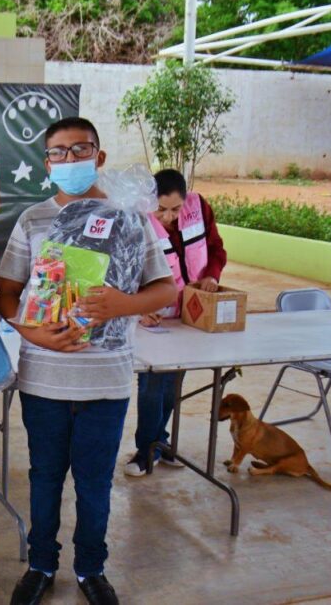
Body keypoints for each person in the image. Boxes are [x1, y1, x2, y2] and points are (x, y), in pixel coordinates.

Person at [0, 118, 176, 605]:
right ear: (46, 163)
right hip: (44, 378)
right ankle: (40, 563)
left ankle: (91, 567)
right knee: (44, 477)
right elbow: (7, 294)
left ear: (99, 156)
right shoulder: (34, 219)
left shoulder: (129, 218)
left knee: (95, 482)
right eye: (58, 152)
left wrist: (123, 303)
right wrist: (31, 330)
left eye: (80, 149)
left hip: (107, 380)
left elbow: (165, 287)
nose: (69, 159)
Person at [124, 168, 227, 476]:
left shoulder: (200, 208)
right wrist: (141, 306)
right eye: (162, 209)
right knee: (152, 383)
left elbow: (216, 249)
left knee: (173, 383)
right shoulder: (137, 220)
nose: (169, 216)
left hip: (189, 315)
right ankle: (146, 450)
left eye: (176, 208)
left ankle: (161, 441)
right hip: (153, 317)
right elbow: (127, 270)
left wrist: (211, 275)